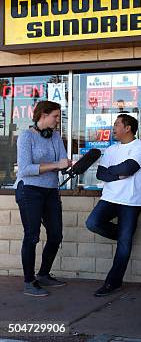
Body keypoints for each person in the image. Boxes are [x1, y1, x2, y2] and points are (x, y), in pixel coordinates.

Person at [85, 114, 141, 297]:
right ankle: (124, 237)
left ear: (127, 128)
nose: (113, 128)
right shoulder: (112, 149)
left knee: (124, 243)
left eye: (116, 124)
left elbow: (128, 169)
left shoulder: (140, 147)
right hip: (110, 197)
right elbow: (100, 174)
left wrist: (115, 172)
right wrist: (118, 174)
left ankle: (113, 282)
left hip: (131, 200)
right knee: (93, 223)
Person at [15, 100, 71, 297]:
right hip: (29, 190)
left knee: (56, 235)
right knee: (32, 236)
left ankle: (44, 274)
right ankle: (29, 282)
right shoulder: (26, 137)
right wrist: (56, 165)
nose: (57, 120)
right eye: (55, 116)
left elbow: (62, 162)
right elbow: (25, 169)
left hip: (50, 191)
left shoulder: (56, 136)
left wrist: (70, 164)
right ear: (43, 115)